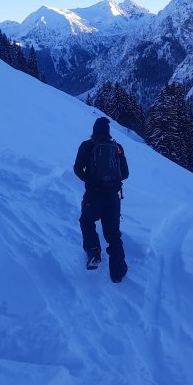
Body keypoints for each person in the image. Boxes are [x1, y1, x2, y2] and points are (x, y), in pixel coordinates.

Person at [73, 117, 129, 283]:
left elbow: (77, 168)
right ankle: (118, 273)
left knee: (86, 221)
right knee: (113, 235)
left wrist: (90, 180)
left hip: (93, 196)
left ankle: (94, 251)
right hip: (112, 198)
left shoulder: (87, 145)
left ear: (94, 130)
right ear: (108, 132)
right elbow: (125, 174)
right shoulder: (117, 147)